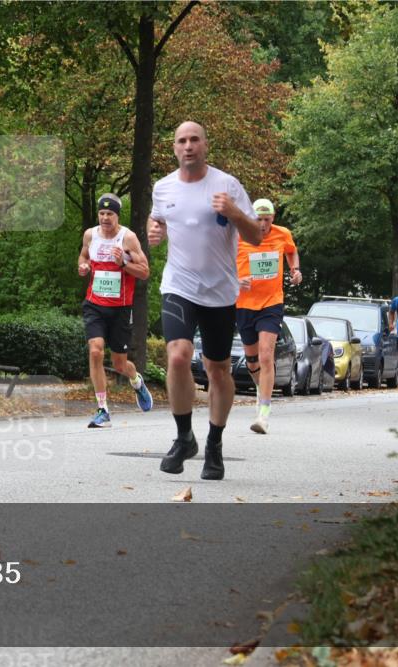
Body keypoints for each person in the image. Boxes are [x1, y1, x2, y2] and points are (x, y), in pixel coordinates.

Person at [147, 121, 262, 481]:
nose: (188, 146)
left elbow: (257, 236)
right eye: (181, 141)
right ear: (175, 148)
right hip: (179, 285)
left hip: (220, 292)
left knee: (218, 370)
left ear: (205, 145)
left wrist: (236, 213)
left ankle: (214, 443)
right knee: (179, 355)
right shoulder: (162, 187)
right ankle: (184, 437)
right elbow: (161, 222)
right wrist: (155, 231)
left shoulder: (227, 185)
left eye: (194, 139)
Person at [77, 192, 153, 427]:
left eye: (110, 213)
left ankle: (136, 380)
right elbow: (83, 256)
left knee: (120, 364)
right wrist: (82, 266)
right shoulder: (90, 235)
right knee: (96, 351)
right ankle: (102, 409)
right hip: (95, 304)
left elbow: (145, 272)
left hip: (120, 308)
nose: (105, 218)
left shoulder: (127, 238)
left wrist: (124, 263)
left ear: (117, 215)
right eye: (101, 213)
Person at [234, 198, 301, 434]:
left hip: (271, 303)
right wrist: (236, 279)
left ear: (273, 218)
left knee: (265, 355)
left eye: (267, 219)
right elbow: (222, 265)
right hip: (243, 304)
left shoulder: (282, 234)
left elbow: (292, 252)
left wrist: (295, 270)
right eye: (258, 219)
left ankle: (263, 413)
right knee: (252, 360)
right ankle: (262, 388)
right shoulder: (238, 235)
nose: (262, 224)